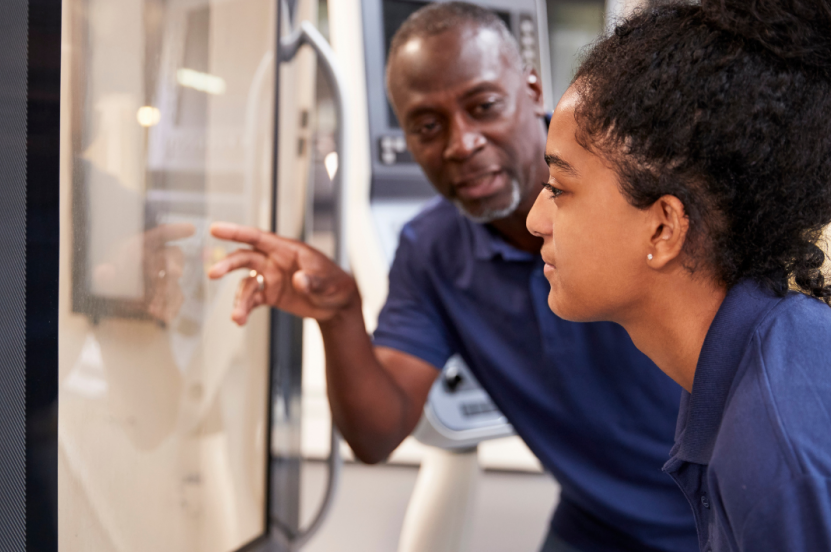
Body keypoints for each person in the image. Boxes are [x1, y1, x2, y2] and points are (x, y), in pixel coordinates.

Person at [209, 4, 697, 551]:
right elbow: (377, 434)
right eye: (427, 126)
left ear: (535, 91)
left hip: (721, 512)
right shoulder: (432, 251)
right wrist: (340, 313)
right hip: (598, 521)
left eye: (483, 106)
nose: (461, 143)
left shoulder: (639, 197)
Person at [526, 1, 831, 550]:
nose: (535, 220)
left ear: (663, 227)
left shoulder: (780, 449)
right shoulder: (749, 370)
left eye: (560, 189)